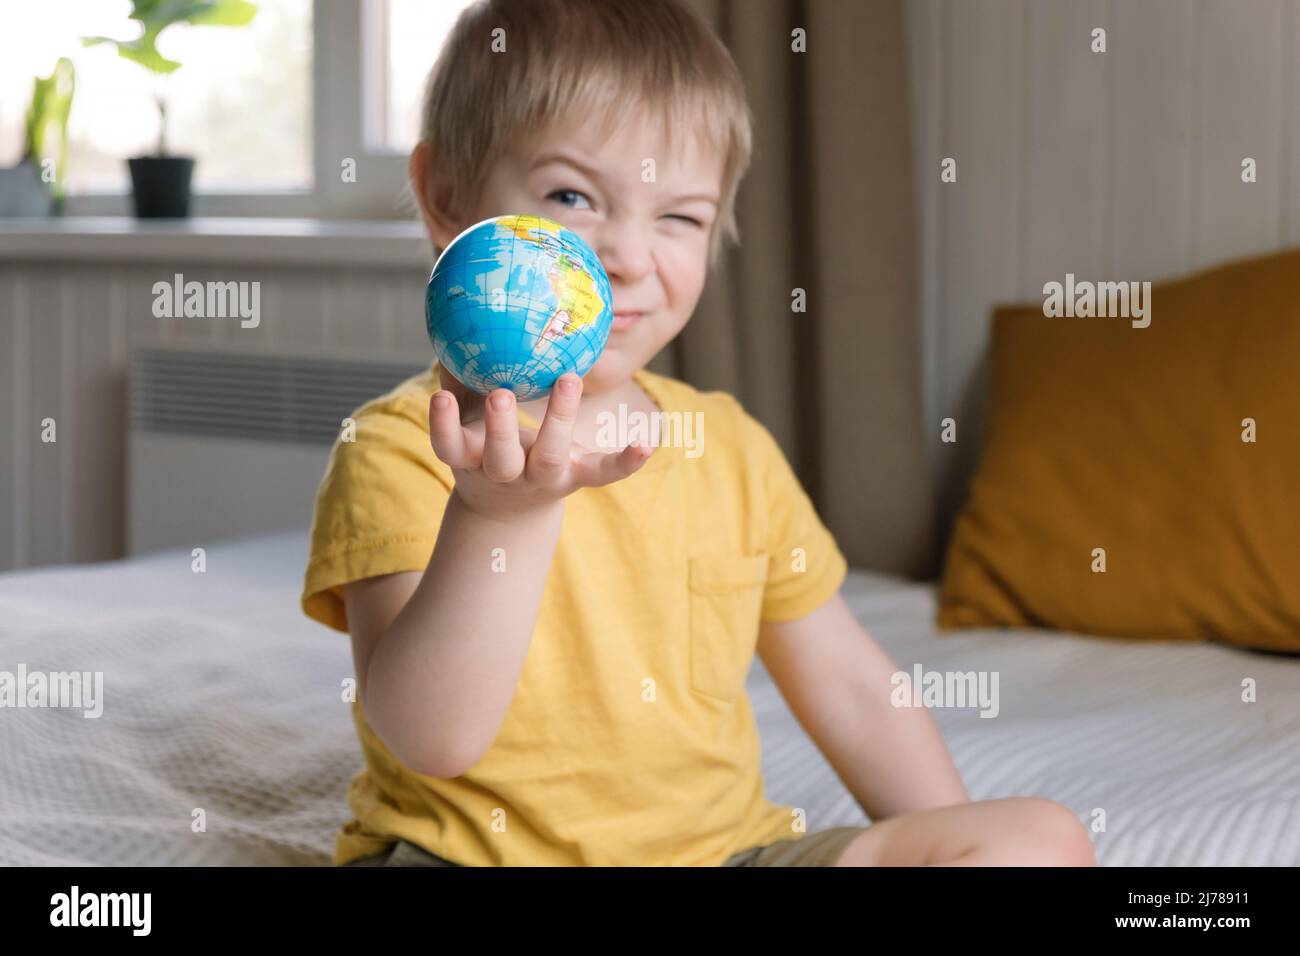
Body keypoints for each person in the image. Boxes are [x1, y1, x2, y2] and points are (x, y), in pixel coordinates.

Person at [301, 0, 1096, 868]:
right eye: (572, 197)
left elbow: (857, 692)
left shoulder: (730, 450)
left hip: (720, 856)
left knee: (1037, 840)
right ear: (446, 195)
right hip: (468, 860)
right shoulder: (403, 446)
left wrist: (947, 844)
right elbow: (433, 738)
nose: (631, 257)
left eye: (679, 216)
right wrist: (498, 515)